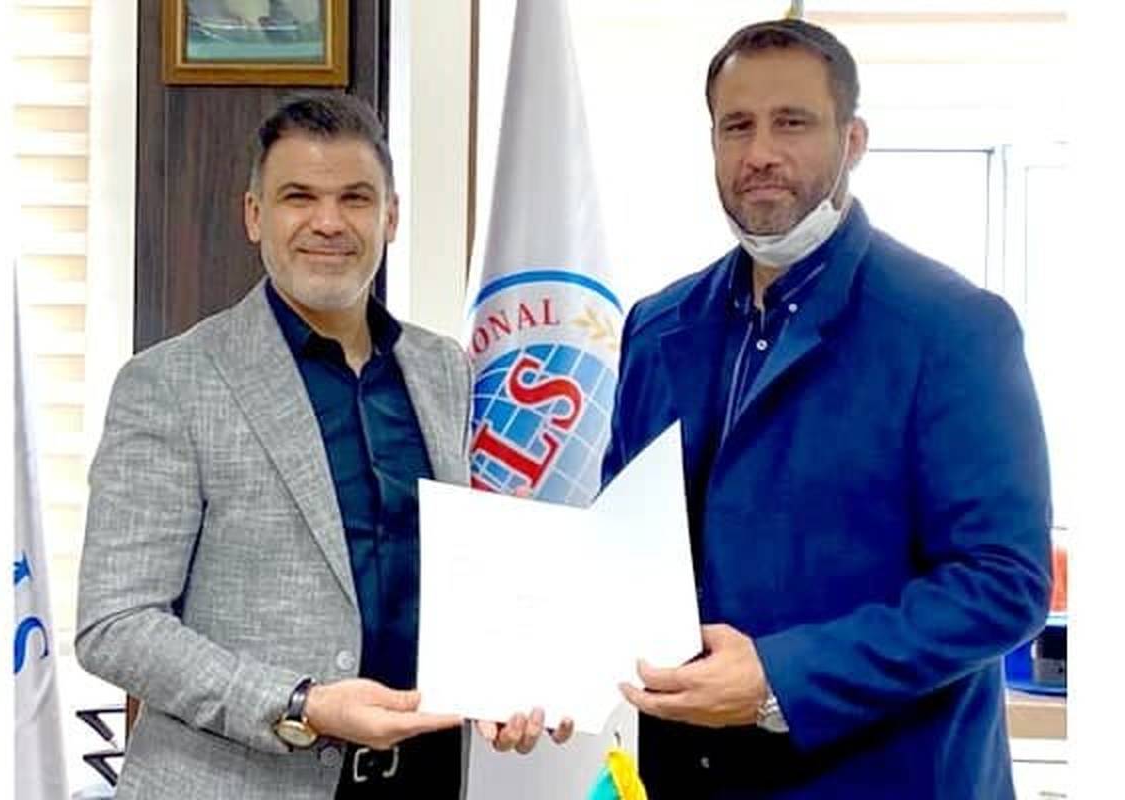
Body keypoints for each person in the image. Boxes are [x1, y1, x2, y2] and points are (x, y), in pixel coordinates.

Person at [603, 18, 1051, 799]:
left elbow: (1003, 583)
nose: (760, 153)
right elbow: (621, 545)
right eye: (736, 126)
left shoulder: (953, 327)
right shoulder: (656, 326)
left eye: (792, 123)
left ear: (853, 140)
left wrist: (780, 679)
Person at [76, 92, 570, 800]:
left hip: (426, 778)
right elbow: (116, 624)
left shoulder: (443, 370)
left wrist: (514, 676)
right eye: (299, 197)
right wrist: (300, 704)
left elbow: (449, 583)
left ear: (390, 216)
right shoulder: (170, 383)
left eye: (356, 198)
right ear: (255, 215)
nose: (329, 222)